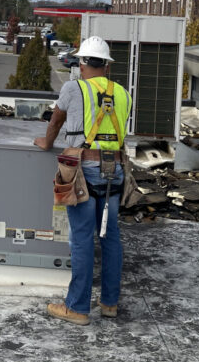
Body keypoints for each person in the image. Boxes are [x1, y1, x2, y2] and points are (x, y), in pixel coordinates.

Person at [33, 36, 132, 325]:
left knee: (82, 239)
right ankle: (110, 303)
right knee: (110, 236)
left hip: (83, 171)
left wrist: (46, 142)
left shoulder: (73, 88)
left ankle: (77, 308)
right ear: (107, 66)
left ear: (82, 62)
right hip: (114, 170)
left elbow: (56, 119)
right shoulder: (123, 93)